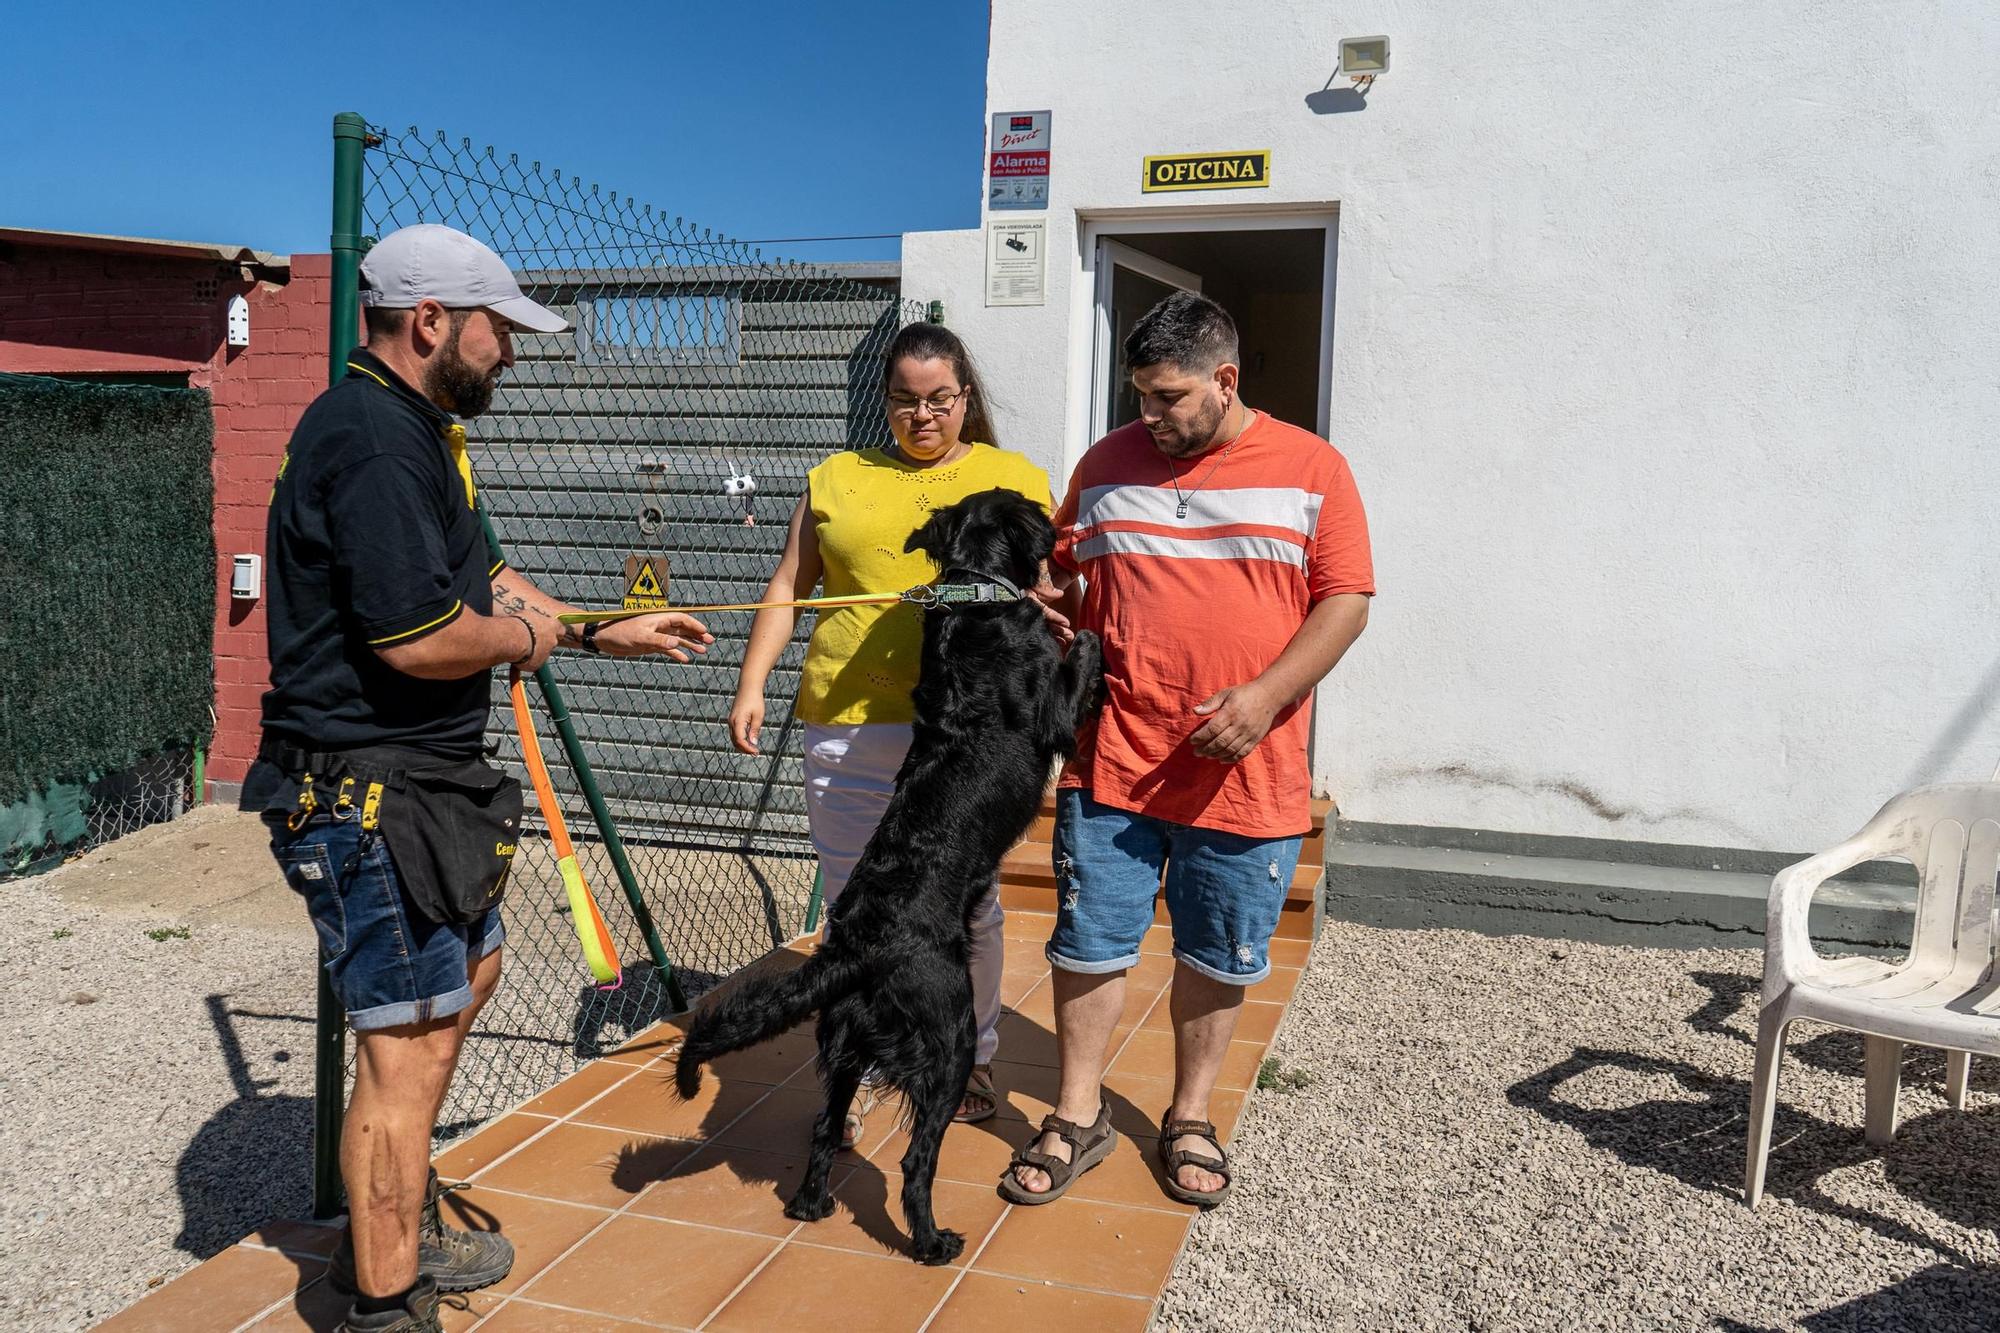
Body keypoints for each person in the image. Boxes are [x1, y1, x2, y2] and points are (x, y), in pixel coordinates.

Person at [243, 224, 713, 1333]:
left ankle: (385, 1230)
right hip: (369, 799)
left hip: (423, 791)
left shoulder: (418, 430)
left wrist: (600, 629)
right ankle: (385, 1301)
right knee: (407, 1058)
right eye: (499, 329)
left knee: (451, 1003)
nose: (512, 350)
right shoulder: (367, 437)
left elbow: (483, 577)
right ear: (430, 322)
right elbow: (418, 636)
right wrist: (529, 643)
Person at [1003, 291, 1373, 1208]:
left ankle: (1190, 1114)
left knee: (1217, 953)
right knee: (1087, 942)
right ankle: (1078, 1111)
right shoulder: (1105, 464)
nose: (1149, 416)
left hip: (1247, 769)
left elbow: (1348, 600)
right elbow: (1062, 569)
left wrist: (1266, 695)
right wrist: (1049, 603)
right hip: (1115, 756)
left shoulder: (1313, 468)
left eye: (1168, 396)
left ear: (1226, 379)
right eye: (1139, 395)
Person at [729, 321, 1053, 1144]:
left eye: (939, 399)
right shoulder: (837, 476)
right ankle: (873, 1044)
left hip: (966, 733)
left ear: (965, 397)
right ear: (886, 402)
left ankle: (969, 1051)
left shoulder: (1009, 478)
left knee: (967, 904)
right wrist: (753, 680)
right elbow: (789, 583)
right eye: (905, 401)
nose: (922, 416)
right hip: (848, 721)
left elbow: (1049, 588)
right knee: (854, 905)